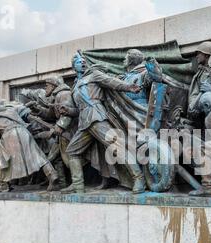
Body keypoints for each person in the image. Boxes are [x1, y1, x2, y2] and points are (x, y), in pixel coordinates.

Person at [59, 51, 146, 194]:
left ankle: (139, 178)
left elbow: (111, 82)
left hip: (97, 117)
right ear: (73, 66)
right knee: (72, 151)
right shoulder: (75, 86)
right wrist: (68, 111)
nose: (82, 63)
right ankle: (77, 185)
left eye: (83, 61)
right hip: (84, 122)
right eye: (78, 61)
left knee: (116, 146)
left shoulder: (94, 75)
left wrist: (129, 87)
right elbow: (78, 109)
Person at [0, 100, 59, 192]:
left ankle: (4, 184)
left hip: (9, 135)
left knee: (1, 158)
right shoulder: (11, 111)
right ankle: (52, 174)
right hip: (24, 132)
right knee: (37, 155)